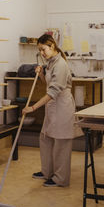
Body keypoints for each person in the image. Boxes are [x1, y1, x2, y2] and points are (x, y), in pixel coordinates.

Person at [22, 34, 75, 187]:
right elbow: (48, 84)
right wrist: (40, 75)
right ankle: (47, 171)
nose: (42, 54)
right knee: (46, 139)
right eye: (40, 51)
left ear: (52, 46)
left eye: (43, 49)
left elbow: (53, 92)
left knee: (61, 143)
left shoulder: (61, 65)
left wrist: (33, 107)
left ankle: (60, 178)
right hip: (52, 106)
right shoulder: (51, 63)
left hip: (62, 107)